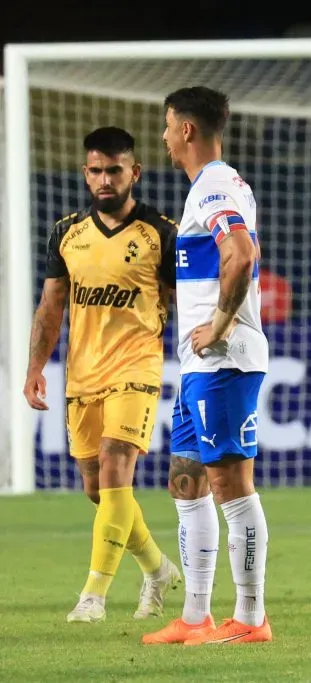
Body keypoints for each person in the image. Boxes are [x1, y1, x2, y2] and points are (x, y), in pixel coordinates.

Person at [24, 126, 181, 623]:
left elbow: (187, 299)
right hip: (82, 374)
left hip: (137, 365)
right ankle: (156, 568)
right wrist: (34, 369)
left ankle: (93, 595)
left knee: (117, 465)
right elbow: (51, 307)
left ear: (135, 171)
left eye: (115, 170)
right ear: (86, 173)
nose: (105, 179)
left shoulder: (162, 231)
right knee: (98, 489)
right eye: (96, 170)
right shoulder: (66, 232)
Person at [143, 86, 271, 645]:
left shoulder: (214, 185)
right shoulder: (213, 186)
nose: (166, 137)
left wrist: (218, 323)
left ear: (187, 129)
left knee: (230, 486)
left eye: (169, 126)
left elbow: (241, 254)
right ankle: (195, 616)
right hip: (201, 365)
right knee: (187, 481)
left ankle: (251, 617)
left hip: (223, 360)